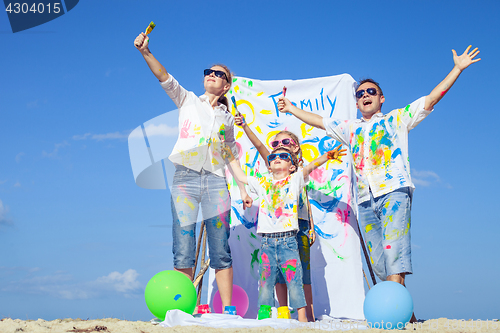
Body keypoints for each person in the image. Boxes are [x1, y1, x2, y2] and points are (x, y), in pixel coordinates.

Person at [277, 45, 481, 320]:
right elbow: (320, 121)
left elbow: (431, 99)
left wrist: (456, 68)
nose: (364, 96)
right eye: (360, 94)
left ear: (381, 98)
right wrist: (291, 108)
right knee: (380, 263)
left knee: (394, 255)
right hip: (364, 199)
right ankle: (401, 314)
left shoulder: (397, 119)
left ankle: (393, 316)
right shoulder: (351, 128)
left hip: (393, 192)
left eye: (370, 92)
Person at [133, 32, 252, 309]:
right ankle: (184, 307)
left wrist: (243, 188)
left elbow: (230, 155)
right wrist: (145, 52)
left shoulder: (227, 119)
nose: (211, 75)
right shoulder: (187, 100)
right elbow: (164, 77)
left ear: (226, 86)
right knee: (183, 246)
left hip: (215, 182)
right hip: (185, 178)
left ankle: (228, 310)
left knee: (220, 247)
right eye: (208, 72)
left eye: (218, 74)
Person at [223, 137, 346, 322]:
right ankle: (263, 319)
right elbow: (240, 176)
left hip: (289, 241)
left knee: (294, 282)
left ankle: (303, 320)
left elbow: (310, 167)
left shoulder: (295, 180)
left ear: (292, 167)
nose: (276, 158)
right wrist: (229, 154)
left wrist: (327, 156)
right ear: (269, 166)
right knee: (265, 283)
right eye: (273, 157)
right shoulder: (262, 182)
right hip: (266, 242)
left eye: (283, 156)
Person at [234, 115, 316, 321]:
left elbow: (306, 200)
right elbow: (260, 145)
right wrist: (244, 126)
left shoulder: (296, 171)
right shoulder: (274, 164)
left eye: (285, 142)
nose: (280, 146)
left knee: (300, 271)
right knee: (278, 272)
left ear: (296, 147)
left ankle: (308, 315)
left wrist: (312, 226)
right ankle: (283, 311)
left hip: (301, 224)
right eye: (276, 143)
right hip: (274, 229)